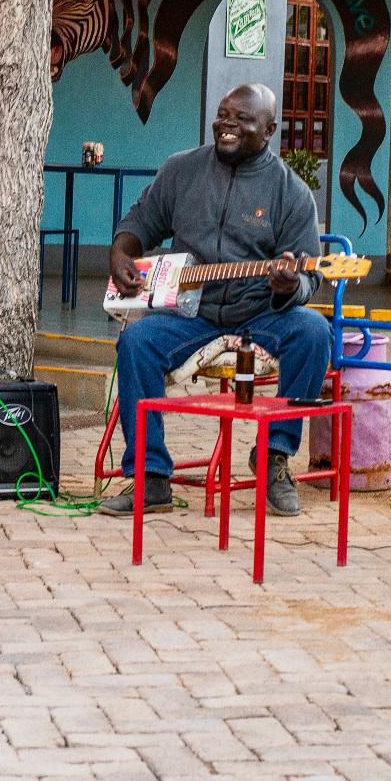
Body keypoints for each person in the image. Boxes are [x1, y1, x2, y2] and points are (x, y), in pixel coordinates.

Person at [100, 83, 333, 518]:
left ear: (268, 131)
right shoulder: (181, 170)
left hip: (263, 312)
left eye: (240, 119)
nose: (226, 125)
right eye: (223, 115)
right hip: (194, 312)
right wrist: (120, 253)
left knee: (315, 332)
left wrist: (289, 287)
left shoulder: (292, 193)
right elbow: (140, 222)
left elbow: (309, 279)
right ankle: (151, 477)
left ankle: (274, 456)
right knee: (137, 344)